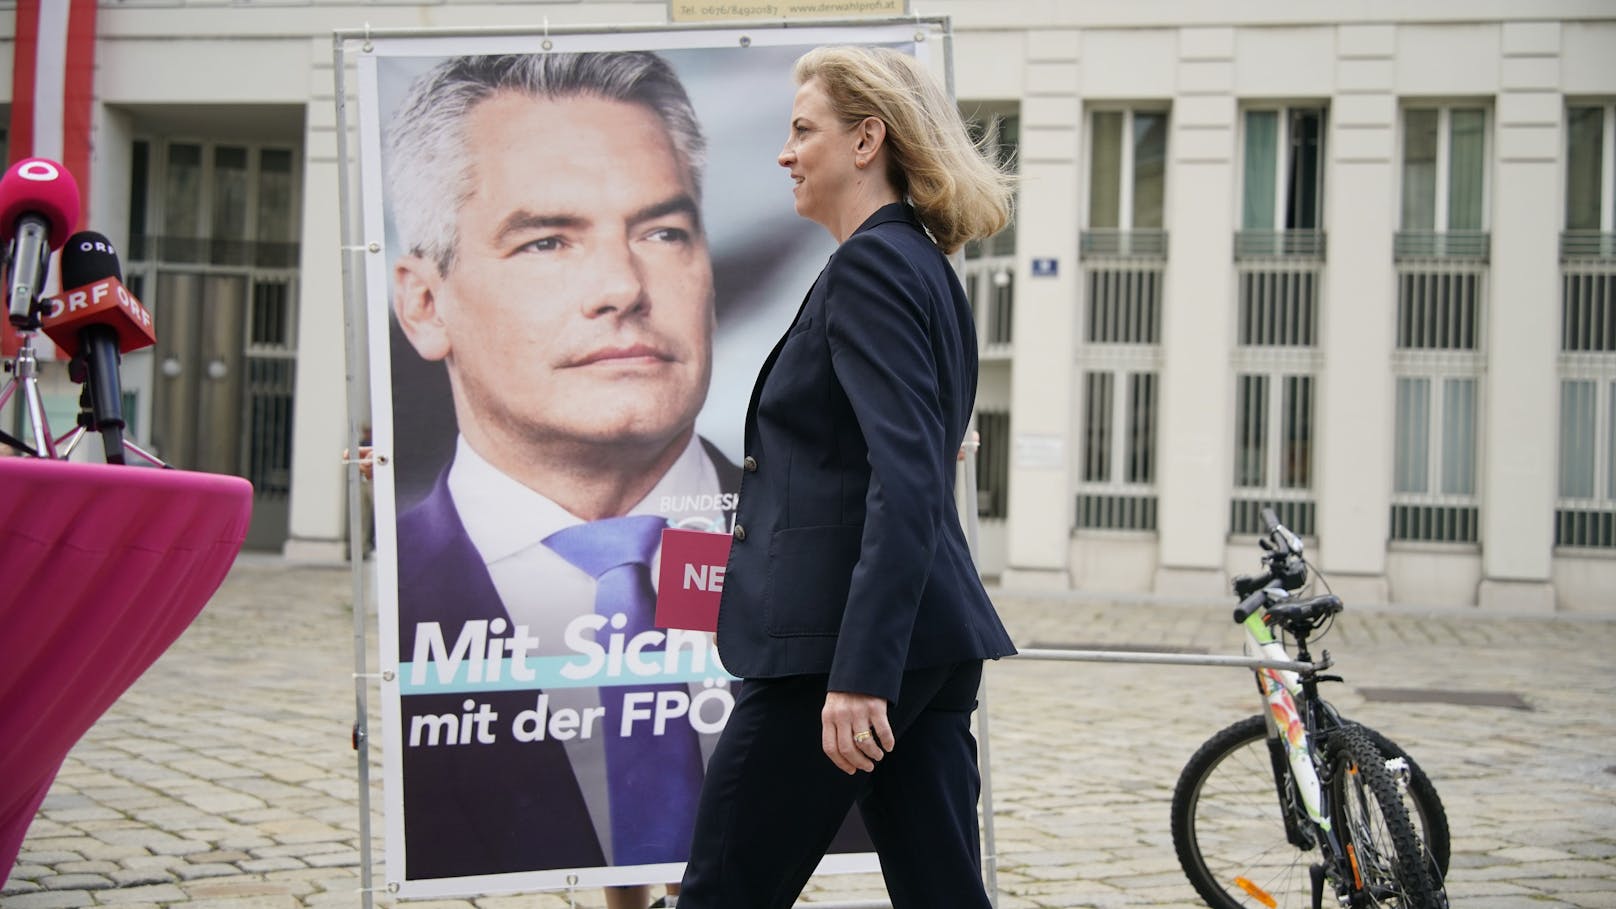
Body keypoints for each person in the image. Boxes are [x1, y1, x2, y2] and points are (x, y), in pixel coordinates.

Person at [384, 51, 734, 908]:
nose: (622, 287)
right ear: (426, 304)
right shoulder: (396, 604)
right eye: (548, 240)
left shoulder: (831, 556)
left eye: (661, 232)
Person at [676, 46, 1018, 908]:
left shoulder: (872, 266)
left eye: (803, 130)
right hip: (927, 640)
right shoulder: (923, 266)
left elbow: (907, 482)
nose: (786, 152)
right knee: (944, 893)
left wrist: (860, 672)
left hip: (836, 652)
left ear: (867, 140)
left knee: (722, 889)